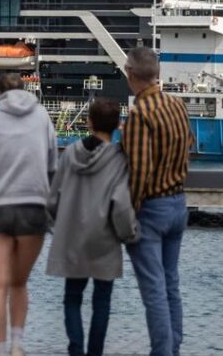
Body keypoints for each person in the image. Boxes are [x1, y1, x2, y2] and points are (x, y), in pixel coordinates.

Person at [46, 97, 139, 356]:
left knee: (72, 299)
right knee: (102, 302)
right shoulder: (119, 159)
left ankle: (75, 349)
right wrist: (129, 234)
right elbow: (121, 205)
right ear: (118, 125)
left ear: (88, 123)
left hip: (72, 236)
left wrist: (56, 225)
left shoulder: (70, 154)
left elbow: (53, 199)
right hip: (105, 239)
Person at [0, 73, 57, 356]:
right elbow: (52, 161)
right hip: (34, 205)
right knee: (19, 283)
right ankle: (17, 346)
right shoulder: (43, 116)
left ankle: (0, 350)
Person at [121, 47, 193, 356]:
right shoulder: (177, 105)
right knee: (170, 285)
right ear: (157, 73)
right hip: (178, 202)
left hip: (151, 209)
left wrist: (128, 212)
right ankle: (173, 348)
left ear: (130, 75)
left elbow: (139, 170)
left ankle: (162, 352)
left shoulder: (140, 114)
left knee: (153, 292)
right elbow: (189, 145)